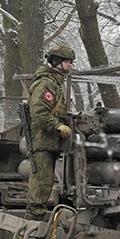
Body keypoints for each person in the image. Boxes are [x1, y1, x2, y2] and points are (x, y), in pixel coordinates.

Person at [26, 45, 75, 220]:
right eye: (66, 61)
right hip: (42, 142)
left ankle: (35, 220)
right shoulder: (46, 83)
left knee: (44, 186)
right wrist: (57, 126)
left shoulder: (55, 84)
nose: (70, 65)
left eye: (70, 62)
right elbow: (39, 112)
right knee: (41, 186)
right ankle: (33, 222)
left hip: (49, 142)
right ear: (56, 62)